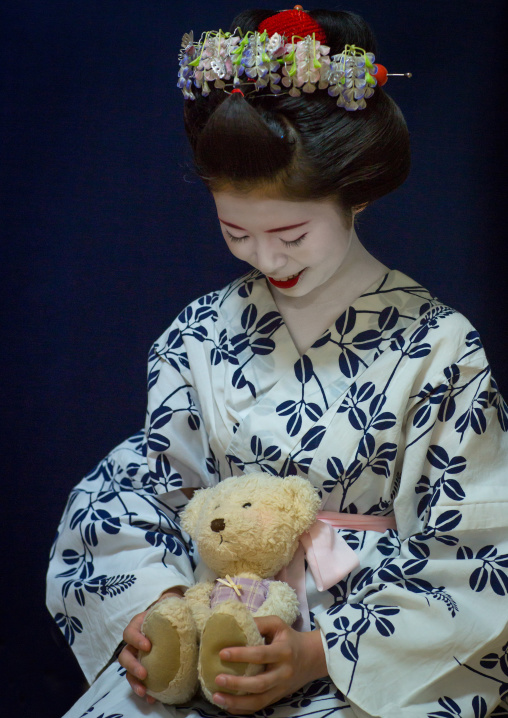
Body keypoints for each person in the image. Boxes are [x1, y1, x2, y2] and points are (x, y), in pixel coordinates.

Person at [47, 7, 508, 718]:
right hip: (217, 628)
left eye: (291, 234)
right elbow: (143, 489)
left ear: (358, 194)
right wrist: (157, 609)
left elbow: (475, 545)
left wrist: (316, 653)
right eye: (236, 232)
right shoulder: (199, 332)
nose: (267, 258)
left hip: (368, 648)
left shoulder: (440, 346)